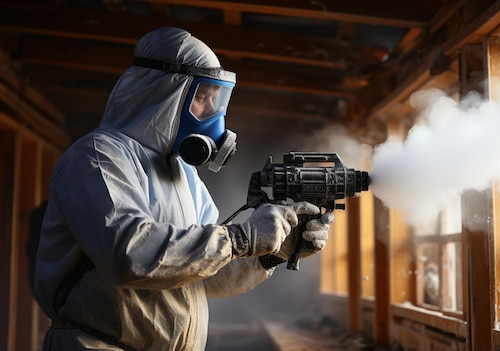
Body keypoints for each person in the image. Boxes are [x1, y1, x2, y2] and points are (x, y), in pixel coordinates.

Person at [33, 27, 333, 351]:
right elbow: (128, 253)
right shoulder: (98, 156)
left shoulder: (184, 174)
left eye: (215, 100)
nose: (211, 113)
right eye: (201, 98)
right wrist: (239, 238)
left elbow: (202, 272)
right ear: (161, 95)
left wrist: (271, 252)